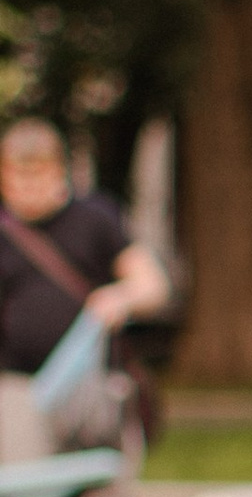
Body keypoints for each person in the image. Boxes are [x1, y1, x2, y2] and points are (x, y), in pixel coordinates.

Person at [0, 116, 170, 462]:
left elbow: (153, 285)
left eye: (38, 175)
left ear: (59, 171)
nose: (27, 187)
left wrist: (120, 297)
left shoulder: (96, 218)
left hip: (94, 390)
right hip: (16, 391)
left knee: (99, 495)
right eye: (18, 176)